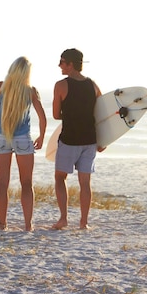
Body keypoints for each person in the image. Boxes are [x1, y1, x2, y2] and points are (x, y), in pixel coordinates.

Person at [0, 56, 46, 231]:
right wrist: (41, 136)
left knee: (2, 183)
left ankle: (2, 224)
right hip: (23, 139)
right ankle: (28, 225)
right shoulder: (30, 91)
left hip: (3, 137)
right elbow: (42, 117)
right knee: (26, 183)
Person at [52, 48, 103, 230]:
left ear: (70, 64)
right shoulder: (93, 85)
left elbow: (56, 114)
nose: (59, 65)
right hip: (89, 140)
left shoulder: (61, 86)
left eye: (62, 61)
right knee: (85, 183)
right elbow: (102, 113)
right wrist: (103, 140)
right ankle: (84, 222)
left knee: (60, 178)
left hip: (69, 139)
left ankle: (64, 218)